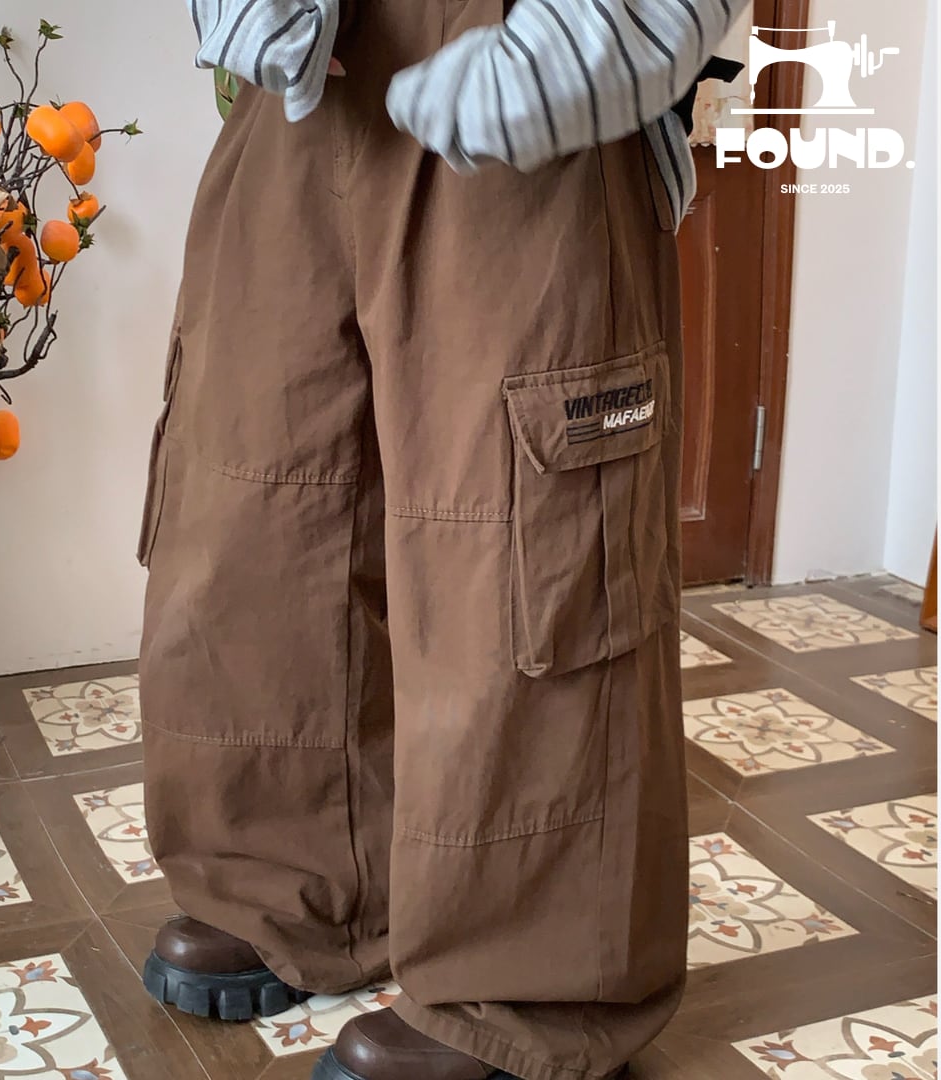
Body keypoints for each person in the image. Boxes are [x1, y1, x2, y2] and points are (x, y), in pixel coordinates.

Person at [137, 2, 747, 1078]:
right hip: (301, 94)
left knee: (523, 547)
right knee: (254, 507)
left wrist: (600, 39)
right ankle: (294, 883)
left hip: (537, 70)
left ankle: (531, 982)